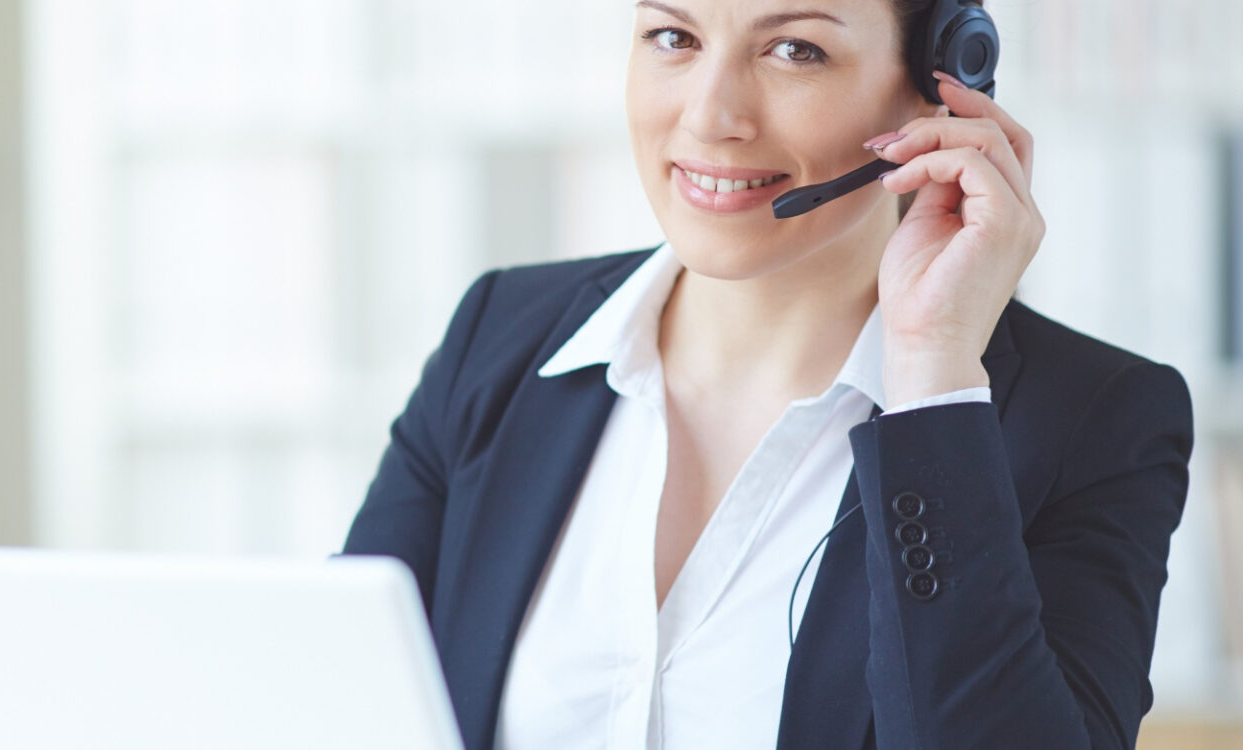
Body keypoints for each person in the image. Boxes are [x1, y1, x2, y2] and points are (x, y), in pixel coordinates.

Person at [339, 1, 1194, 749]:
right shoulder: (500, 339)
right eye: (673, 36)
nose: (712, 116)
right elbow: (335, 699)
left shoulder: (1095, 418)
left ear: (944, 83)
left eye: (795, 50)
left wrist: (934, 378)